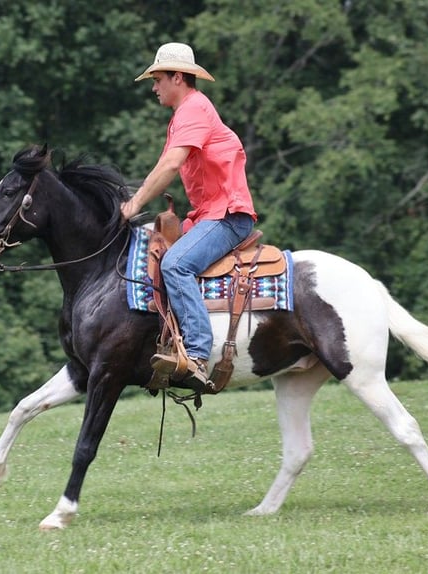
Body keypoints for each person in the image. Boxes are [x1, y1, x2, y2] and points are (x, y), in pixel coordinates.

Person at [121, 42, 257, 391]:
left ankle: (196, 354)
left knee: (175, 265)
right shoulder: (184, 114)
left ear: (177, 77)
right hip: (209, 215)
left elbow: (169, 165)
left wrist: (134, 204)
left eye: (158, 79)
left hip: (227, 216)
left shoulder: (194, 109)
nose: (153, 87)